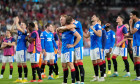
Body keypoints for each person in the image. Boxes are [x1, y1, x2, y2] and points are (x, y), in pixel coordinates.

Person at [57, 16, 85, 84]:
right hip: (69, 47)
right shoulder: (65, 29)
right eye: (60, 19)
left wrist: (58, 28)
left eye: (62, 19)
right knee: (74, 64)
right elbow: (61, 36)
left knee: (79, 64)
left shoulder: (76, 23)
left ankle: (82, 81)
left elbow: (69, 28)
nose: (61, 21)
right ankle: (77, 81)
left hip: (77, 45)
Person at [83, 14, 104, 81]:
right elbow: (86, 36)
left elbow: (100, 34)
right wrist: (81, 31)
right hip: (92, 47)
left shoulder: (98, 26)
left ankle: (102, 77)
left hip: (97, 46)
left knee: (99, 61)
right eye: (92, 16)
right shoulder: (91, 27)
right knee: (94, 62)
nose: (92, 17)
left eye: (94, 16)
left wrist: (93, 30)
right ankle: (97, 77)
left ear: (97, 19)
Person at [11, 17, 28, 83]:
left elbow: (18, 28)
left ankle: (25, 78)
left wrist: (17, 22)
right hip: (18, 49)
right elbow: (12, 30)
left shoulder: (25, 31)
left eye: (22, 24)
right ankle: (20, 78)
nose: (21, 25)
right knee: (19, 64)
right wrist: (14, 23)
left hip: (22, 49)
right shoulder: (19, 32)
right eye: (21, 24)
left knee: (24, 64)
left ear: (25, 26)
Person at [129, 11, 140, 81]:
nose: (130, 17)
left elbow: (132, 32)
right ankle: (137, 76)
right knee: (135, 60)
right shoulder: (136, 23)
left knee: (137, 59)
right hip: (135, 43)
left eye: (131, 15)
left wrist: (130, 25)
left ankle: (138, 77)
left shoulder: (138, 23)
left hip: (138, 44)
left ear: (135, 15)